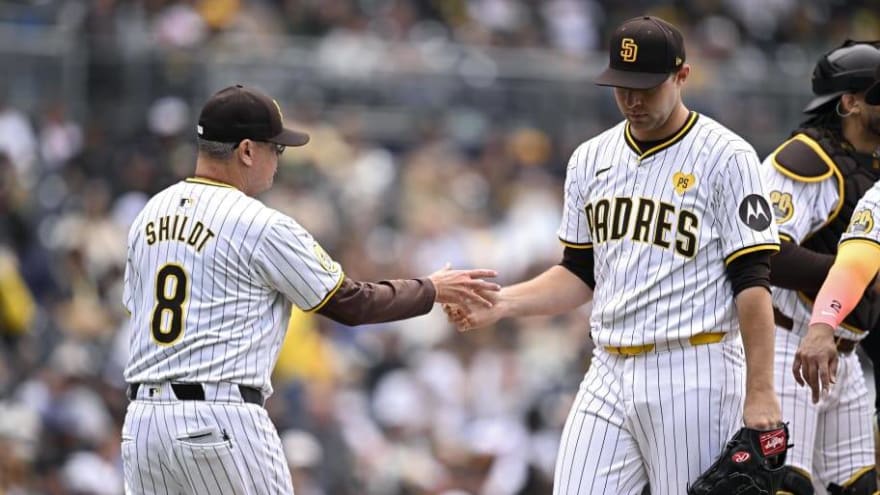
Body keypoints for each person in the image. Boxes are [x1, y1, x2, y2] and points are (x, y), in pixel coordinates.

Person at [445, 15, 782, 495]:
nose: (633, 99)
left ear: (682, 76)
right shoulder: (590, 158)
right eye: (622, 85)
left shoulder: (727, 157)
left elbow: (752, 282)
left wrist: (762, 389)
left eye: (646, 86)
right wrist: (503, 303)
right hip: (607, 367)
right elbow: (580, 273)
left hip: (694, 366)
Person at [120, 84, 500, 495]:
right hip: (219, 419)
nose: (278, 160)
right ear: (246, 150)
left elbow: (136, 308)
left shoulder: (148, 214)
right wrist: (431, 289)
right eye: (275, 149)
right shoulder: (259, 224)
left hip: (143, 425)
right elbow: (351, 304)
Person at [760, 41, 880, 494]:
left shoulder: (873, 165)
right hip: (787, 343)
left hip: (843, 353)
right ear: (849, 102)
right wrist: (853, 276)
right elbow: (763, 253)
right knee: (783, 485)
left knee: (860, 487)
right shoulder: (804, 160)